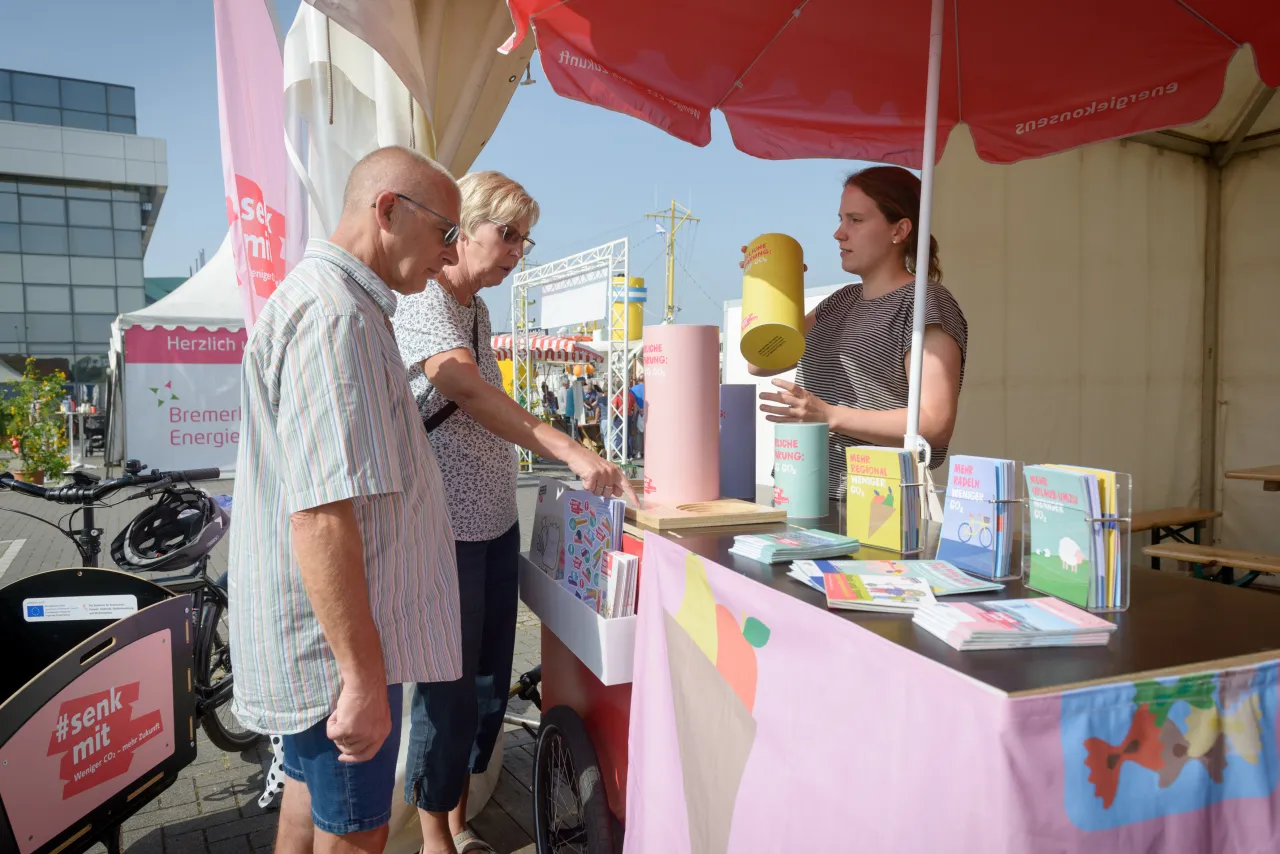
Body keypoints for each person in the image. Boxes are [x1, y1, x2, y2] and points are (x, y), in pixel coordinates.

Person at [391, 170, 638, 854]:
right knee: (446, 691)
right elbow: (462, 388)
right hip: (443, 528)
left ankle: (459, 819)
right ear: (462, 228)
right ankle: (436, 837)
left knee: (489, 686)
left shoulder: (476, 307)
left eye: (524, 240)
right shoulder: (424, 301)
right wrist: (565, 444)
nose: (515, 251)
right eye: (506, 234)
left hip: (494, 520)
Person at [228, 146, 463, 854]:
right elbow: (322, 516)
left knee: (306, 798)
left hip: (325, 639)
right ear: (388, 210)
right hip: (340, 650)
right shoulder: (339, 317)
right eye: (445, 232)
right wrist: (361, 678)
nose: (448, 257)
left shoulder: (335, 303)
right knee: (356, 830)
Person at [749, 165, 968, 497]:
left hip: (876, 504)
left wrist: (829, 415)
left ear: (900, 230)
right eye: (840, 219)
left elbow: (935, 423)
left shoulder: (924, 303)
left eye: (856, 220)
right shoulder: (839, 302)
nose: (839, 233)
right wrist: (774, 288)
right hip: (798, 489)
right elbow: (760, 361)